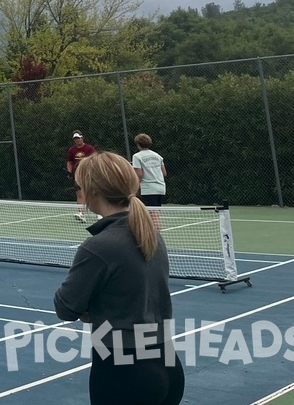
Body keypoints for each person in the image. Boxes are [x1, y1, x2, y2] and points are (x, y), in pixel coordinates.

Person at [54, 152, 184, 405]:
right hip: (166, 362)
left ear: (93, 191)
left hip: (124, 371)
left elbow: (66, 307)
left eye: (80, 187)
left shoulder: (98, 246)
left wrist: (90, 308)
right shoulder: (151, 235)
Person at [66, 130, 97, 220]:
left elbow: (95, 159)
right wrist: (70, 172)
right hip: (77, 175)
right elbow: (70, 162)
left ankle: (98, 214)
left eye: (78, 138)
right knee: (80, 194)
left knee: (93, 193)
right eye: (75, 139)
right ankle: (81, 214)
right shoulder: (72, 150)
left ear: (82, 138)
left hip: (88, 174)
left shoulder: (89, 148)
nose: (77, 140)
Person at [131, 133, 168, 207]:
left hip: (148, 189)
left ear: (138, 144)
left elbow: (139, 175)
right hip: (161, 188)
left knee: (151, 214)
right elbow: (164, 173)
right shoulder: (158, 156)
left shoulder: (137, 156)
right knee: (155, 213)